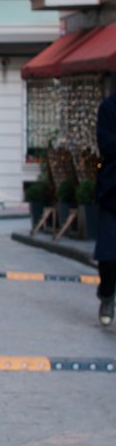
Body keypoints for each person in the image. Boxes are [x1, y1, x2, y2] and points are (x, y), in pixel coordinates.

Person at [96, 87, 116, 326]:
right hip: (113, 191)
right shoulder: (109, 107)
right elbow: (107, 144)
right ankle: (107, 294)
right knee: (110, 254)